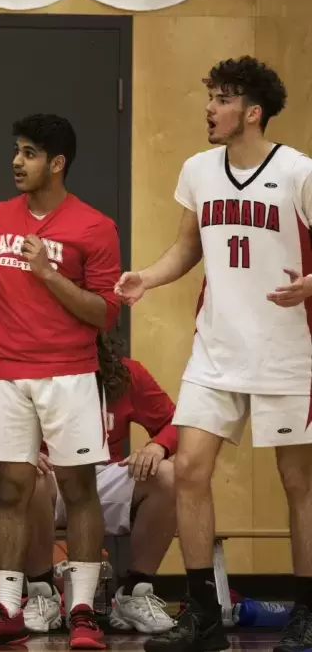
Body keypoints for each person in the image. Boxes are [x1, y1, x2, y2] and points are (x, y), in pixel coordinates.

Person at [115, 56, 312, 652]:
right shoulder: (199, 170)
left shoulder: (300, 172)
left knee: (297, 482)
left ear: (251, 113)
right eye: (210, 96)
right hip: (216, 349)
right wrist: (147, 278)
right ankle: (203, 613)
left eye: (222, 98)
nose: (209, 107)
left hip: (289, 352)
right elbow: (186, 248)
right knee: (190, 472)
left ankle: (306, 610)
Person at [0, 113, 121, 649]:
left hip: (69, 373)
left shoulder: (95, 226)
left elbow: (104, 314)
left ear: (57, 163)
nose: (16, 162)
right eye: (16, 151)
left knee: (78, 487)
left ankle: (84, 610)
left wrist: (49, 273)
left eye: (29, 153)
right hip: (5, 374)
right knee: (12, 491)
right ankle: (7, 609)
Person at [0, 332, 177, 635]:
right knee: (31, 475)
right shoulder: (19, 375)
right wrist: (18, 452)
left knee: (168, 474)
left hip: (100, 477)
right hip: (46, 482)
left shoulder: (126, 373)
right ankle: (42, 594)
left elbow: (177, 422)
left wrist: (158, 446)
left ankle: (135, 594)